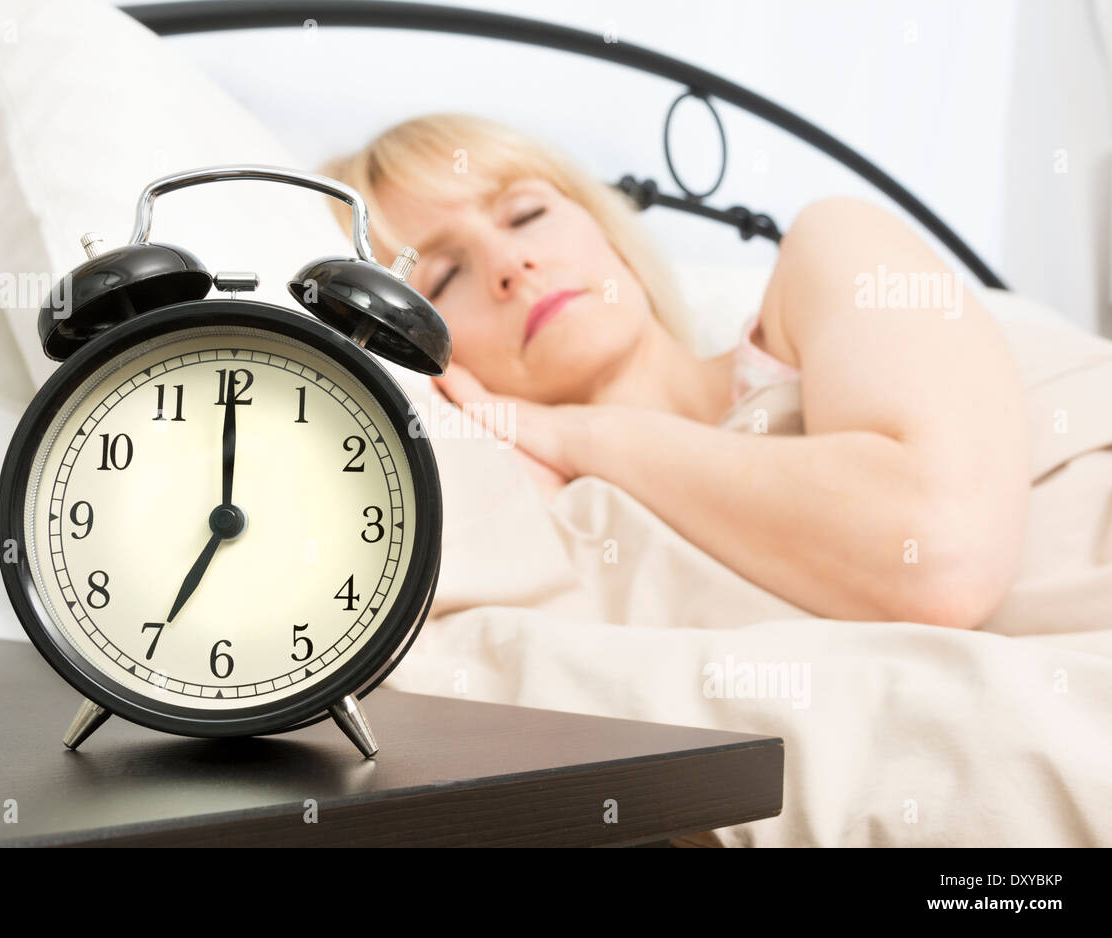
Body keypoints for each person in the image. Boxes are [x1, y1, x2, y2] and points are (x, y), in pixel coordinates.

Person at [319, 113, 1030, 630]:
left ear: (602, 225)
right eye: (443, 279)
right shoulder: (530, 520)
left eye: (525, 213)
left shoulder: (832, 249)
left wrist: (584, 434)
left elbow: (938, 554)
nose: (510, 265)